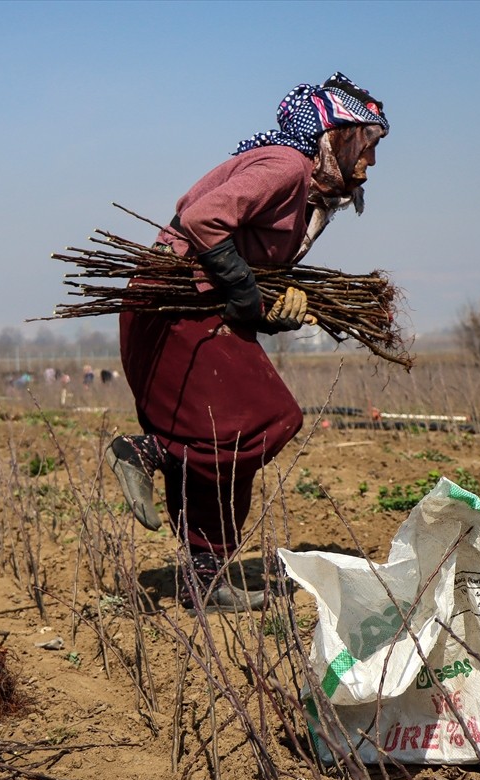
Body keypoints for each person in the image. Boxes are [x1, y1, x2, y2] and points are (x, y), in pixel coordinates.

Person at [106, 73, 388, 612]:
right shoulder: (286, 166)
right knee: (268, 417)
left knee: (221, 444)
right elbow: (200, 219)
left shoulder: (311, 200)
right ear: (337, 133)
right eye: (367, 144)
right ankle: (147, 452)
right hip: (173, 302)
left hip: (194, 305)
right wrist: (243, 290)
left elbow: (248, 279)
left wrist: (274, 312)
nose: (371, 161)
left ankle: (205, 583)